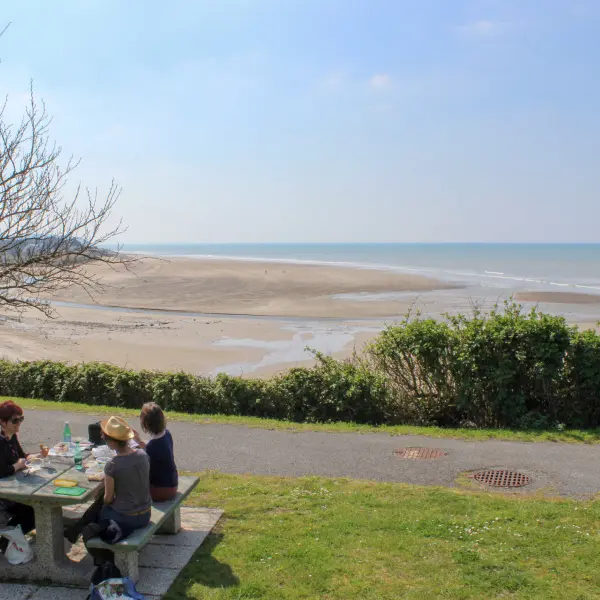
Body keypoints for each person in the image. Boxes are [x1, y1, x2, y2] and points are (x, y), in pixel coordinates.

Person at [66, 416, 151, 560]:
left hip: (126, 518)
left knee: (99, 506)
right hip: (145, 514)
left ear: (112, 442)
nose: (103, 439)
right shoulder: (142, 455)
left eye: (105, 438)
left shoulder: (113, 465)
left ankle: (78, 531)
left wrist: (104, 494)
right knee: (99, 504)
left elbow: (108, 499)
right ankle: (75, 529)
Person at [0, 401, 36, 552]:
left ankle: (9, 538)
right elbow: (2, 471)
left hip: (14, 486)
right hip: (4, 493)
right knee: (33, 511)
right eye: (14, 421)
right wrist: (18, 466)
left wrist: (37, 456)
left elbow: (22, 456)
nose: (18, 424)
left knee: (36, 508)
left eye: (20, 419)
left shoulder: (12, 436)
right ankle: (6, 539)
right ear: (3, 422)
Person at [133, 403, 178, 502]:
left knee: (129, 486)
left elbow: (143, 466)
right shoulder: (166, 434)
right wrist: (139, 442)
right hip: (172, 484)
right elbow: (152, 449)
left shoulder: (152, 447)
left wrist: (137, 444)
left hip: (161, 490)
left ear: (146, 423)